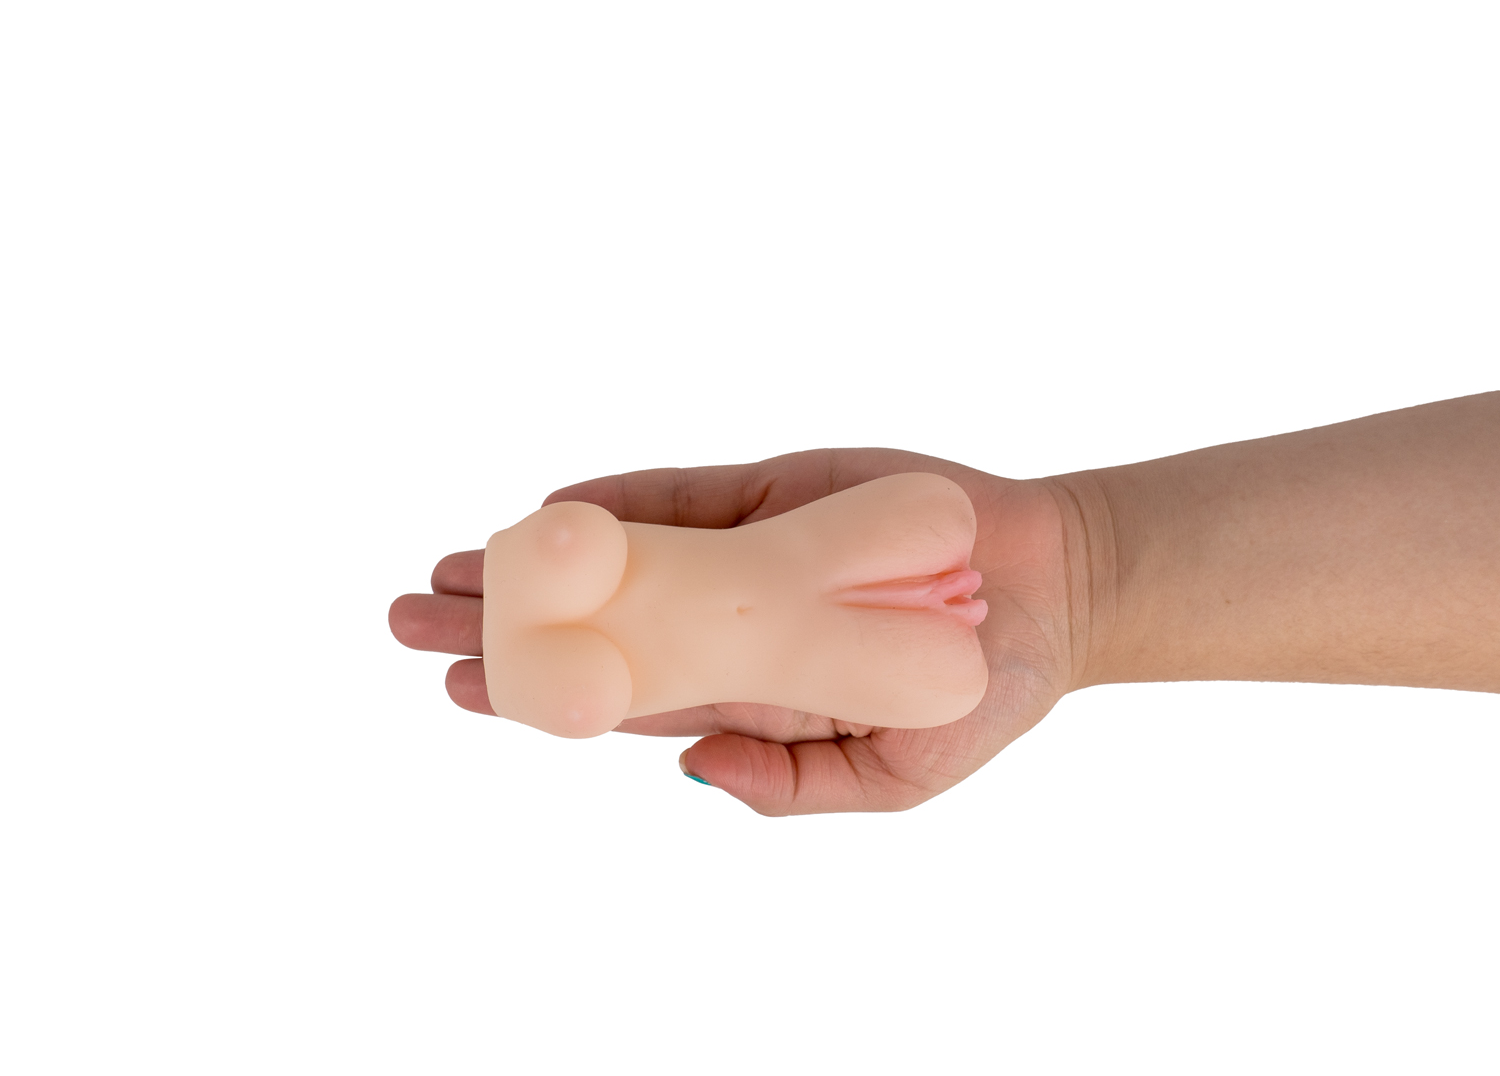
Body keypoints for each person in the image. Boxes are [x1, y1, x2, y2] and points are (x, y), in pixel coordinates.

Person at [388, 392, 1499, 816]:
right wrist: (1084, 571)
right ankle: (579, 664)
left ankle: (580, 670)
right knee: (924, 556)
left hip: (860, 610)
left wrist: (1086, 583)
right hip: (865, 582)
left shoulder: (931, 653)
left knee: (927, 619)